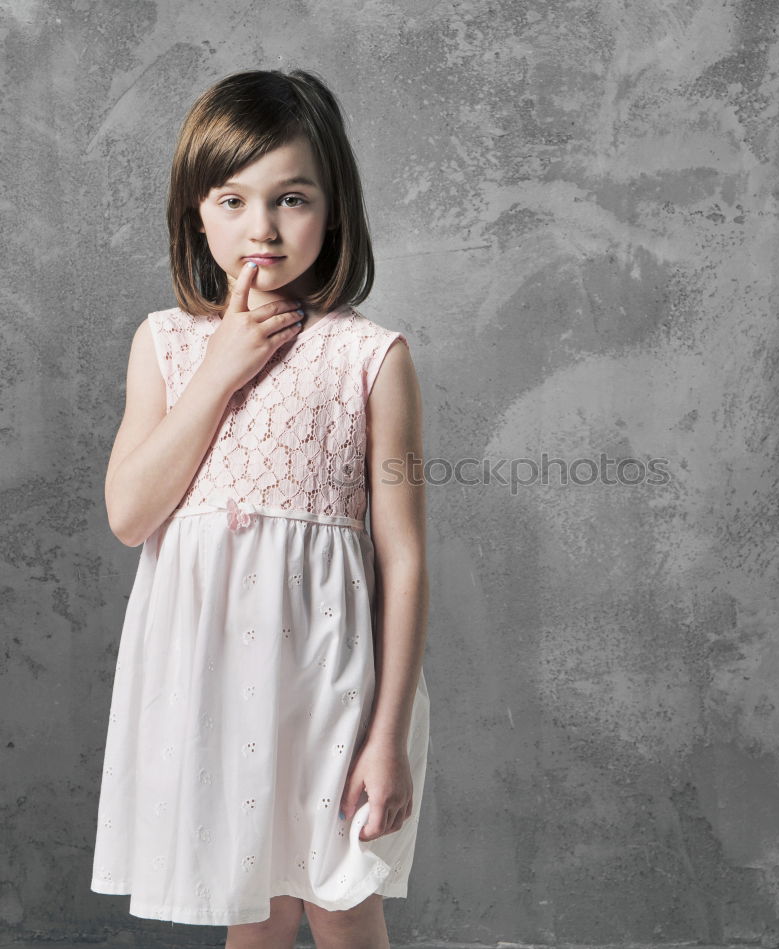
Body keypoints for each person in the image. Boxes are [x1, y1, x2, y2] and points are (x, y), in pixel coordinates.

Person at [90, 68, 431, 949]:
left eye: (291, 198)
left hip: (328, 680)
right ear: (195, 212)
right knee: (259, 904)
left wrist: (386, 735)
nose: (263, 228)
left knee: (340, 897)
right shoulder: (167, 344)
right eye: (232, 199)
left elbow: (403, 557)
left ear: (334, 208)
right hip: (208, 684)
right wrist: (219, 372)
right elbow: (131, 514)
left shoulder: (369, 356)